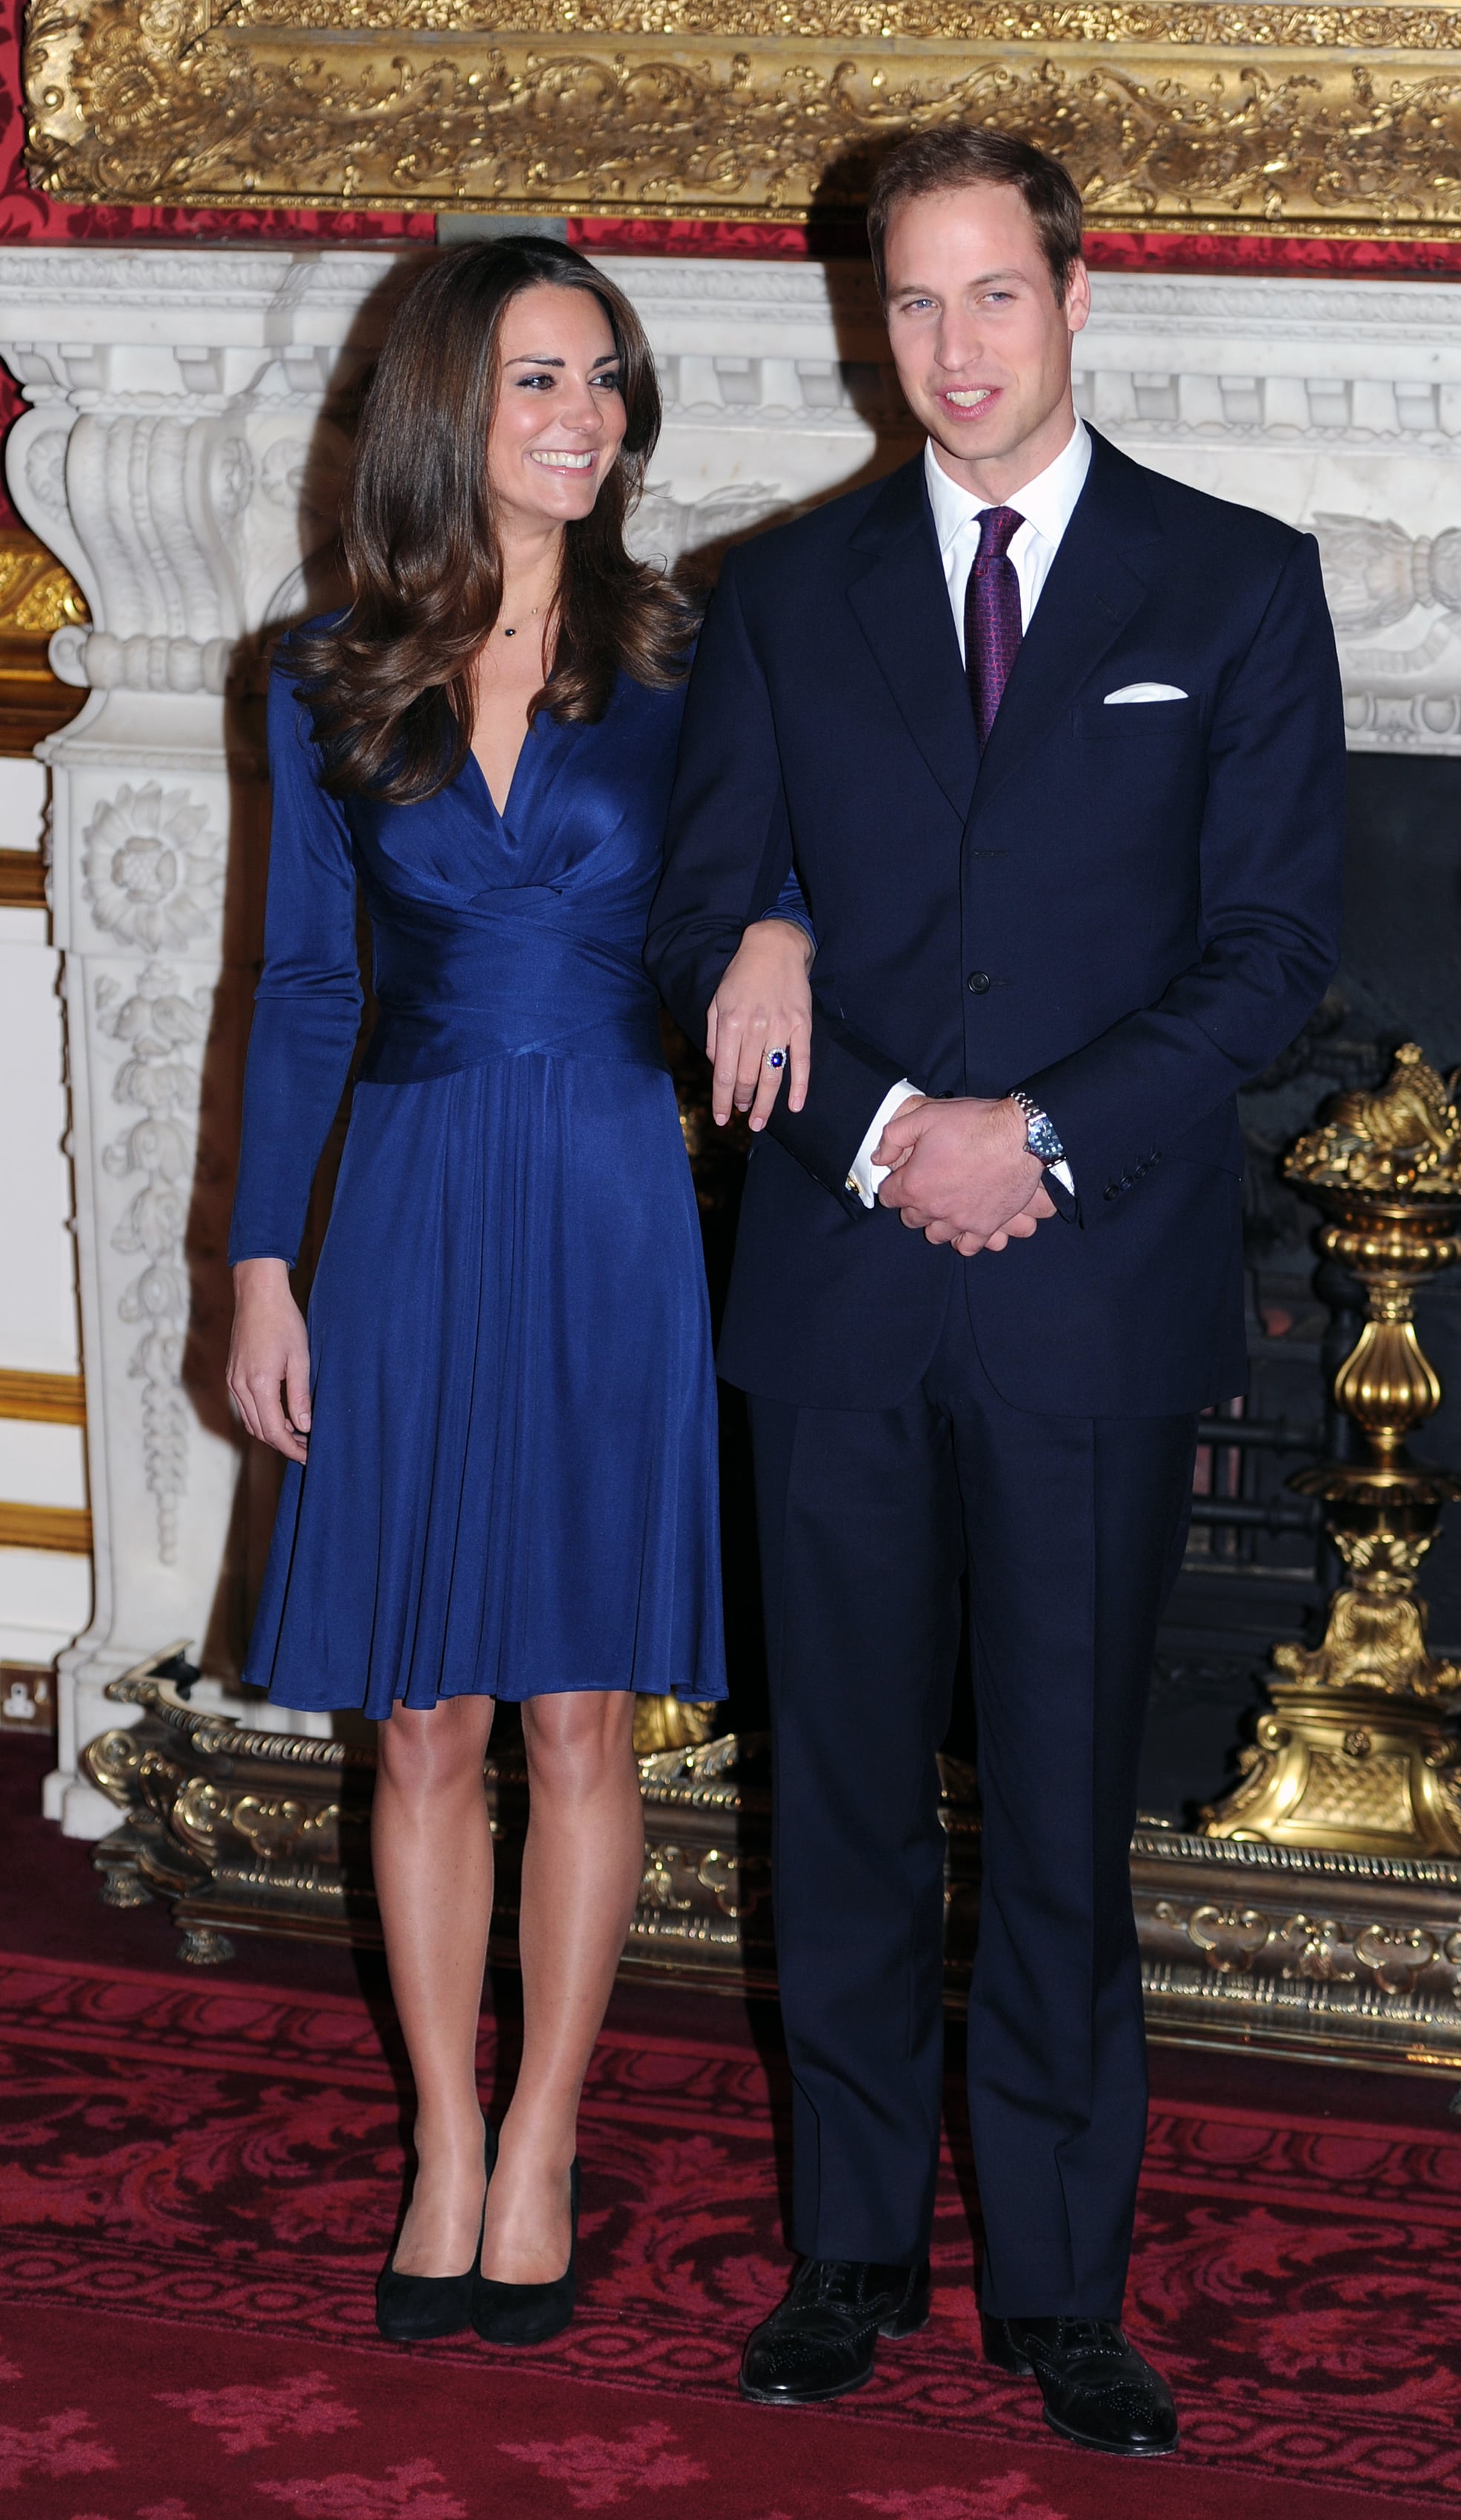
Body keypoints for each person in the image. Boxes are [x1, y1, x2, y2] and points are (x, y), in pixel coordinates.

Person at [647, 128, 1343, 2454]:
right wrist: (870, 1124)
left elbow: (1271, 958)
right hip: (838, 1290)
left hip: (1090, 1287)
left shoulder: (1236, 588)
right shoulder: (776, 589)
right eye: (908, 306)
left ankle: (1062, 2285)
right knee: (836, 1797)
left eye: (990, 298)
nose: (948, 348)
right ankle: (851, 2250)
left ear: (1073, 298)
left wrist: (1027, 1135)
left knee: (1054, 1810)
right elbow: (704, 913)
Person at [225, 239, 813, 2352]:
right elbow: (301, 986)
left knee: (576, 1706)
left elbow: (800, 845)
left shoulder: (685, 650)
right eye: (542, 378)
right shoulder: (319, 670)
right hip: (398, 1196)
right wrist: (261, 1268)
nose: (589, 420)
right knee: (418, 1714)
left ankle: (548, 2134)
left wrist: (786, 933)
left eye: (610, 384)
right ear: (445, 405)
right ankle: (444, 2141)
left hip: (606, 1194)